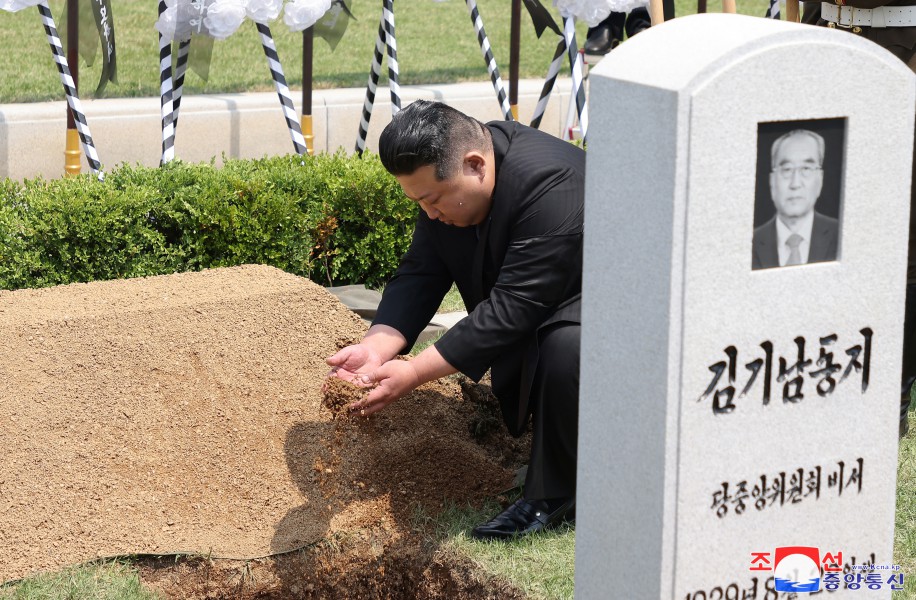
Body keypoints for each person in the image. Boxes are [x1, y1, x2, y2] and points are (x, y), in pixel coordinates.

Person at [325, 100, 583, 540]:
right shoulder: (451, 182)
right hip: (548, 302)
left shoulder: (552, 183)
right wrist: (375, 348)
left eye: (433, 200)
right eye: (418, 202)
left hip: (629, 313)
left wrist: (414, 372)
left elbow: (511, 309)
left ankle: (555, 492)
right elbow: (422, 272)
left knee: (567, 350)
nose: (429, 214)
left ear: (475, 165)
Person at [810, 4, 916, 436]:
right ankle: (826, 370)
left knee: (902, 228)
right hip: (827, 33)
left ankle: (894, 388)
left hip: (905, 42)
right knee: (822, 216)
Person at [752, 129, 839, 270]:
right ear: (772, 181)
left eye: (806, 169)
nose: (795, 183)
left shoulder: (842, 235)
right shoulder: (749, 242)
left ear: (820, 180)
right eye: (787, 170)